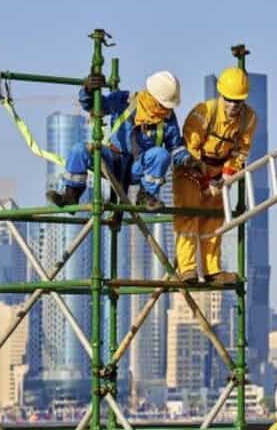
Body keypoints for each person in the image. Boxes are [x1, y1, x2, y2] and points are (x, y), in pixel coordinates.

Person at [47, 70, 188, 210]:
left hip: (137, 167)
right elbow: (95, 106)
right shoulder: (123, 101)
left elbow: (175, 148)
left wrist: (188, 159)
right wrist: (88, 90)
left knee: (161, 154)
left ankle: (146, 196)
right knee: (79, 149)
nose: (166, 109)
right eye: (163, 104)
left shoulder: (167, 118)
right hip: (112, 161)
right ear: (152, 96)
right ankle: (71, 195)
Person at [172, 67, 257, 282]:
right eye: (229, 100)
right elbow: (189, 151)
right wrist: (203, 180)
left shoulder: (249, 119)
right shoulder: (204, 113)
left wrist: (226, 176)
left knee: (213, 221)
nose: (233, 106)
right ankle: (187, 269)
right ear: (221, 95)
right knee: (188, 215)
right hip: (191, 171)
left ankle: (212, 270)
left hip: (219, 173)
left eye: (238, 101)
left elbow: (241, 151)